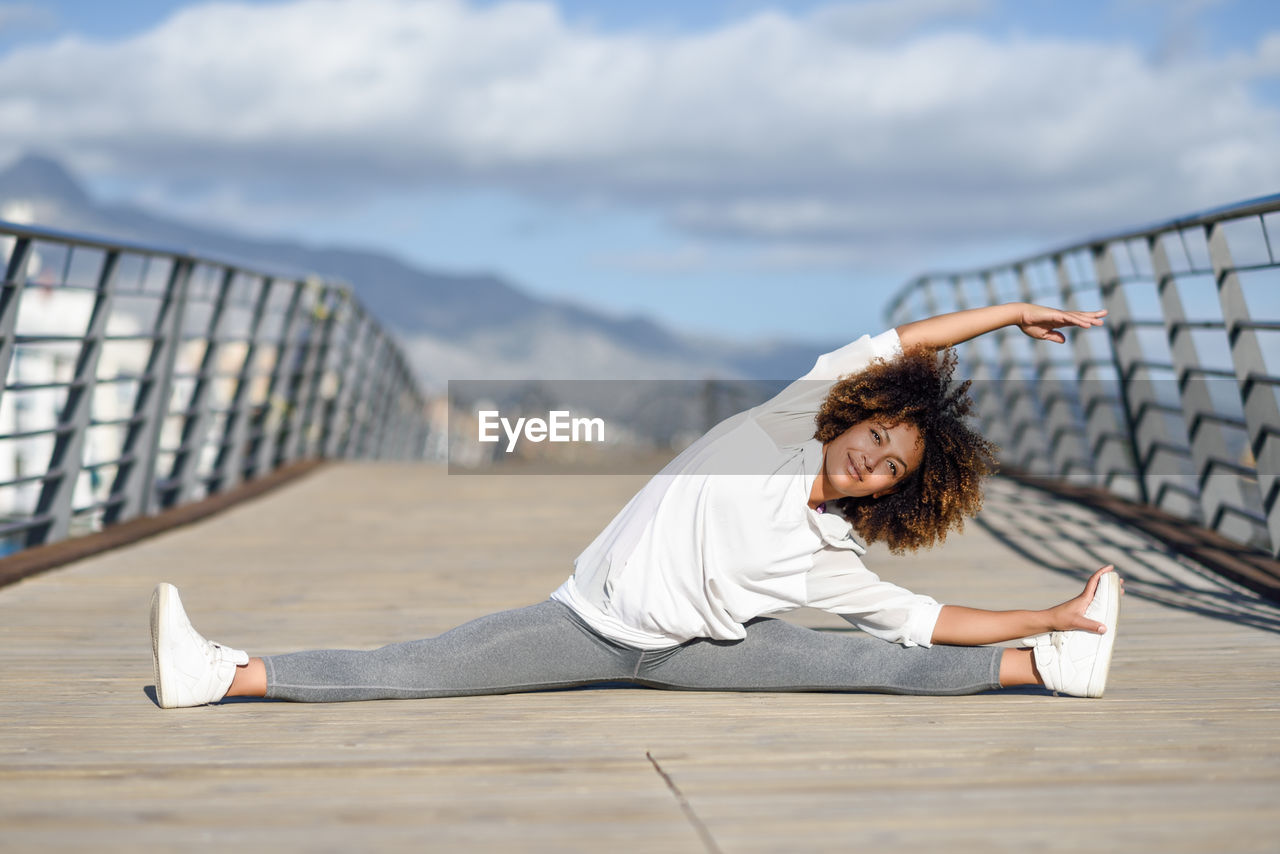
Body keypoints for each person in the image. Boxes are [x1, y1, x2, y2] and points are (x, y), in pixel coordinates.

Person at [150, 301, 1123, 710]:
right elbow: (898, 337)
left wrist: (1046, 609)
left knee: (878, 659)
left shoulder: (826, 551)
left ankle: (1051, 660)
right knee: (413, 665)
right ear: (854, 417)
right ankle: (218, 673)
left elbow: (929, 617)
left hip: (707, 651)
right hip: (586, 626)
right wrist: (1006, 312)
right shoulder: (786, 417)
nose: (871, 462)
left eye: (890, 470)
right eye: (875, 439)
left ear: (892, 493)